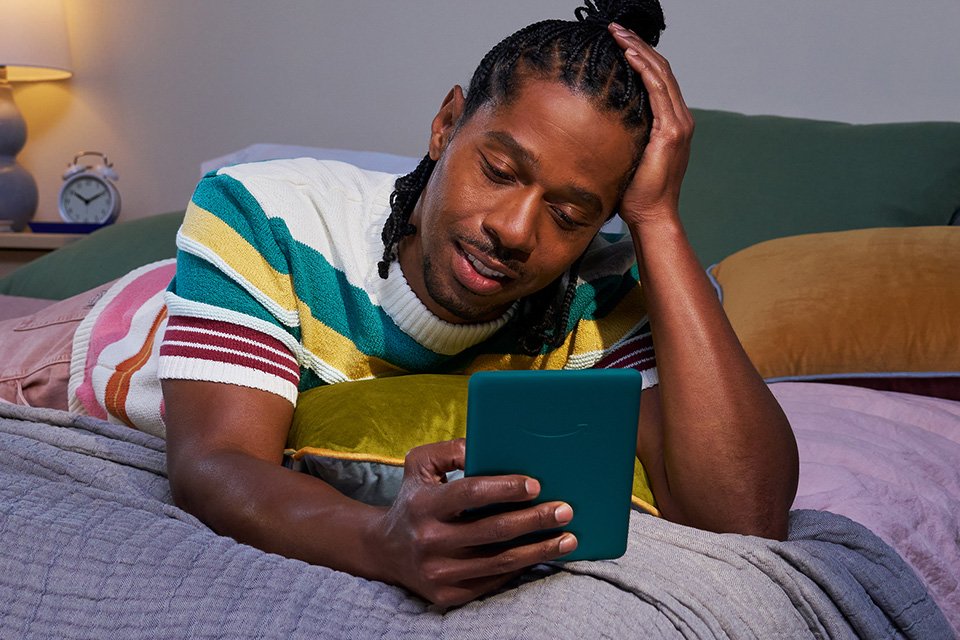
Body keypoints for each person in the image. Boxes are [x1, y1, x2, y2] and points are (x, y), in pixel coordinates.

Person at [0, 0, 798, 608]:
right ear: (446, 124)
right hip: (94, 343)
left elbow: (746, 513)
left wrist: (658, 220)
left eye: (568, 213)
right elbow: (215, 462)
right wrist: (379, 542)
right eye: (499, 170)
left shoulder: (607, 289)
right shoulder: (265, 213)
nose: (515, 230)